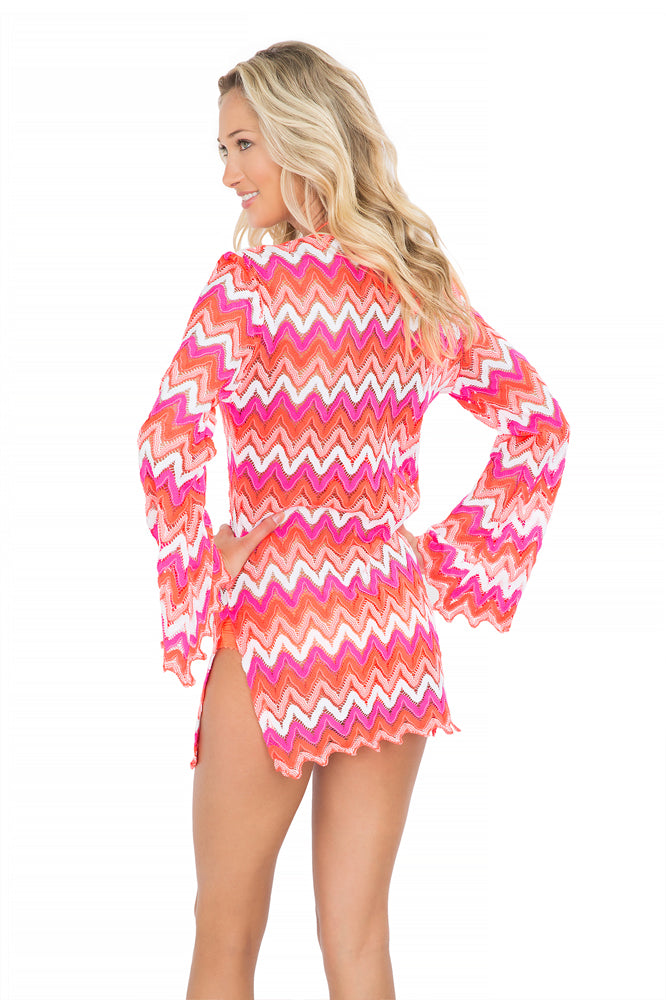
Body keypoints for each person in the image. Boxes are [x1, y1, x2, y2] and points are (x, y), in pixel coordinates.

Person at [136, 40, 570, 1000]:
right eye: (222, 150)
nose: (229, 173)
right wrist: (441, 559)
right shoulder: (419, 287)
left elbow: (166, 442)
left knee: (226, 931)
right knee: (361, 939)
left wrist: (206, 558)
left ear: (303, 137)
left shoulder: (247, 290)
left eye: (244, 144)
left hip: (279, 617)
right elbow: (538, 424)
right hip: (387, 622)